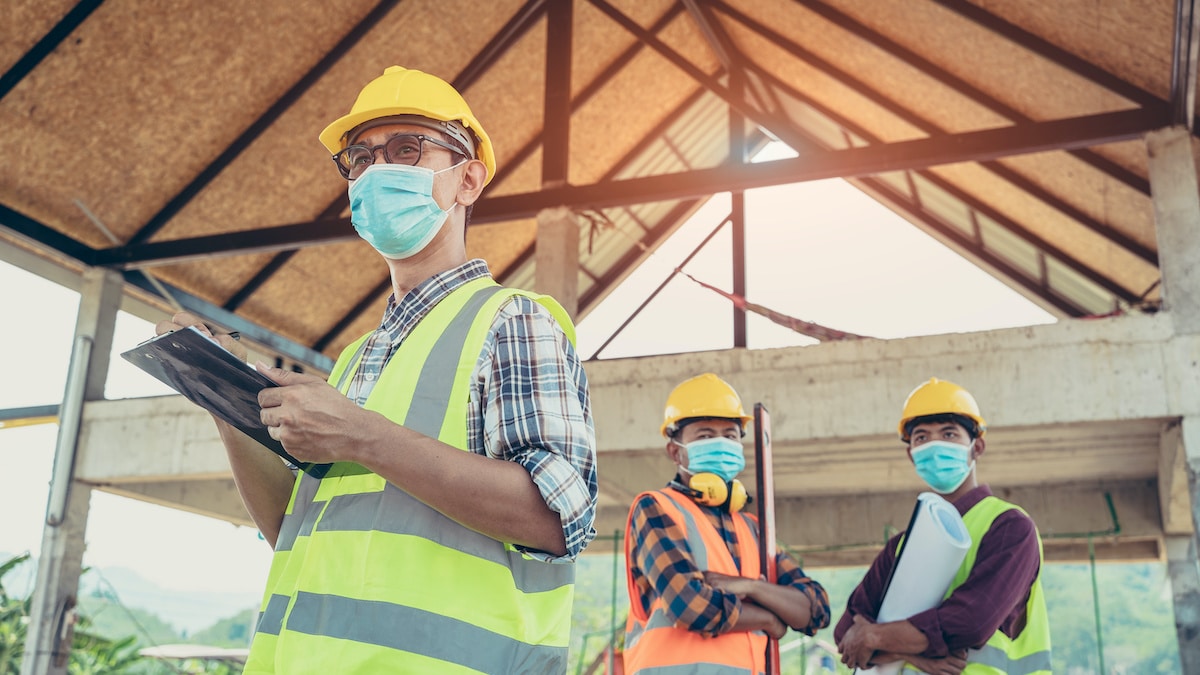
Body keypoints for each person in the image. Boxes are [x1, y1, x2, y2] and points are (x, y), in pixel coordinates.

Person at [155, 65, 598, 674]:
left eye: (407, 149)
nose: (375, 170)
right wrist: (225, 406)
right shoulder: (358, 359)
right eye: (360, 158)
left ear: (467, 179)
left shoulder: (513, 323)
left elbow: (559, 517)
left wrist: (362, 435)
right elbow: (296, 528)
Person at [835, 377, 1051, 675]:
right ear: (910, 453)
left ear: (977, 447)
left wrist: (876, 637)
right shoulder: (899, 546)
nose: (935, 446)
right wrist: (913, 654)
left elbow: (971, 622)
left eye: (949, 434)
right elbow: (847, 632)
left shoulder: (1009, 527)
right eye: (921, 437)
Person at [622, 372, 831, 674]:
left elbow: (815, 610)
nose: (720, 443)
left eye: (730, 435)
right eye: (705, 436)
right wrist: (768, 618)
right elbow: (691, 606)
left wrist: (750, 588)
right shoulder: (656, 507)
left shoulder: (752, 528)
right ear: (675, 450)